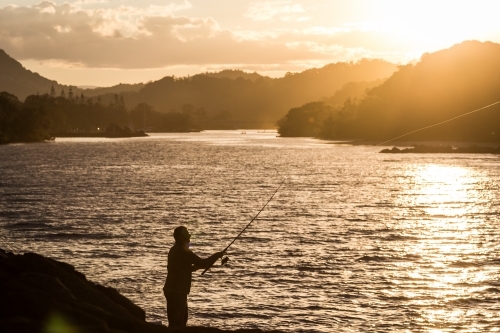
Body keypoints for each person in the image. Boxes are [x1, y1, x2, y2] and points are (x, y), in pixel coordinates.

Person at [163, 226, 225, 327]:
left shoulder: (174, 249)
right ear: (180, 237)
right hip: (177, 291)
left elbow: (182, 268)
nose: (189, 235)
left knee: (175, 322)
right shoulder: (183, 251)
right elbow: (203, 262)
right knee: (180, 323)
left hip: (171, 289)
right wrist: (217, 255)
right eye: (186, 234)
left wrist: (199, 267)